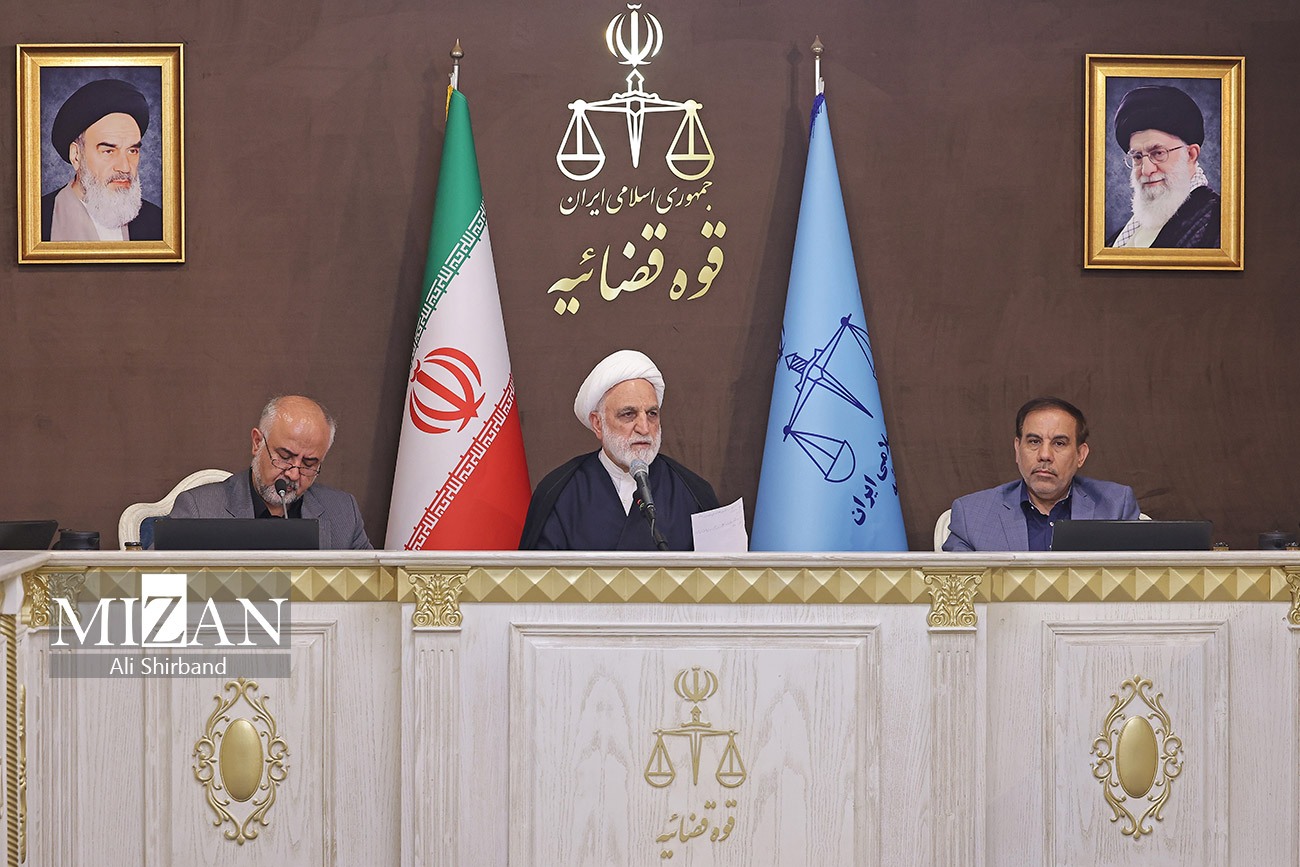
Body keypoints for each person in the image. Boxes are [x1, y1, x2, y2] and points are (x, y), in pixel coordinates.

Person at [519, 349, 720, 550]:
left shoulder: (692, 492)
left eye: (652, 413)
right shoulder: (561, 493)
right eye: (628, 414)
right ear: (598, 423)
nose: (644, 428)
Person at [168, 395, 373, 550]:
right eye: (284, 457)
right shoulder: (199, 509)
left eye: (309, 464)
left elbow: (372, 588)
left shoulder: (343, 512)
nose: (294, 475)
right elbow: (159, 586)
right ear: (257, 443)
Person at [942, 397, 1139, 552]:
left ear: (1081, 455)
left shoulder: (1115, 506)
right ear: (1017, 449)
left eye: (1059, 443)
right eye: (1034, 442)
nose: (1045, 455)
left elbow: (1135, 583)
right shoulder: (971, 516)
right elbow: (956, 588)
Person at [41, 78, 163, 242]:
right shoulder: (37, 220)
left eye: (132, 151)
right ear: (76, 155)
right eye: (108, 151)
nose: (125, 167)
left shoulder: (158, 223)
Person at [1108, 84, 1220, 249]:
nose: (1146, 170)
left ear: (1191, 155)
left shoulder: (1218, 223)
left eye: (1158, 153)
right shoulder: (1127, 231)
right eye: (1137, 157)